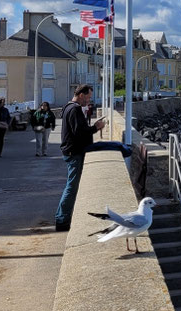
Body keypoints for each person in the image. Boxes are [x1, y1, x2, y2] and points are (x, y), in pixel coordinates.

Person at [54, 85, 130, 231]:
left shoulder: (68, 107)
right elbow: (79, 133)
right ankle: (62, 220)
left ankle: (63, 217)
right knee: (72, 186)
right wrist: (96, 127)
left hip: (71, 151)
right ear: (81, 95)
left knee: (72, 186)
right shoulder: (74, 109)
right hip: (74, 153)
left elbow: (78, 131)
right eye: (88, 97)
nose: (89, 100)